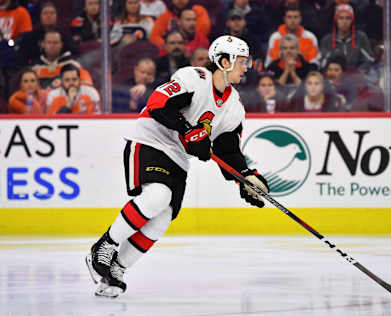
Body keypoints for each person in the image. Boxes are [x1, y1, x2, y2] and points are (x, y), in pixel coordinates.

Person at [85, 35, 270, 298]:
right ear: (224, 61)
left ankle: (116, 269)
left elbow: (227, 149)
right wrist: (189, 131)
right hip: (150, 141)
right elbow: (158, 104)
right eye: (241, 61)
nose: (246, 67)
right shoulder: (195, 78)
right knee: (157, 195)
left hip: (178, 158)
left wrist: (245, 176)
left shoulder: (233, 107)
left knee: (161, 218)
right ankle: (105, 246)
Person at [15, 2, 74, 68]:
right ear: (40, 17)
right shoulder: (30, 37)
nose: (49, 16)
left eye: (52, 13)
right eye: (45, 13)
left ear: (57, 16)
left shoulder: (64, 36)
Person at [320, 3, 374, 72]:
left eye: (348, 18)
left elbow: (369, 60)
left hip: (356, 78)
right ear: (336, 20)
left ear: (352, 21)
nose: (344, 22)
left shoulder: (361, 38)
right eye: (341, 18)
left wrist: (357, 73)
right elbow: (323, 64)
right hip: (333, 78)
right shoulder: (327, 40)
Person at [265, 3, 320, 68]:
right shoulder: (275, 37)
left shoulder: (310, 37)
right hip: (279, 74)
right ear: (284, 19)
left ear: (300, 19)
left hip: (304, 74)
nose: (292, 20)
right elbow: (268, 64)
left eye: (295, 17)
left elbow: (315, 64)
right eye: (289, 17)